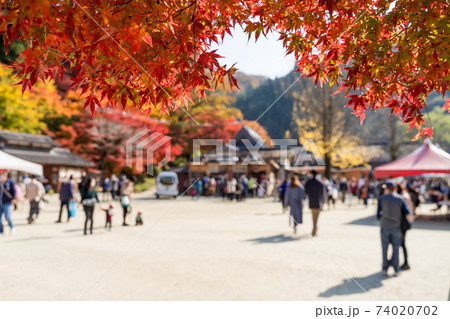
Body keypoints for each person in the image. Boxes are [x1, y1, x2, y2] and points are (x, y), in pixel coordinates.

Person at [377, 182, 412, 276]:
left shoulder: (382, 198)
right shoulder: (400, 199)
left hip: (384, 226)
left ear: (387, 189)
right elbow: (407, 212)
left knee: (384, 248)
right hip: (396, 226)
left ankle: (385, 268)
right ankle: (396, 269)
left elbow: (378, 215)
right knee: (396, 248)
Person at [396, 183, 415, 270]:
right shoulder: (404, 195)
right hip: (404, 222)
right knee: (401, 243)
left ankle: (405, 262)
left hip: (403, 223)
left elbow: (408, 211)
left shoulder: (403, 197)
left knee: (401, 243)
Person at [304, 170, 325, 236]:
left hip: (312, 201)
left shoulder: (309, 182)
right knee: (317, 217)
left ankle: (314, 229)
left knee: (313, 216)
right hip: (319, 202)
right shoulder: (320, 182)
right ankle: (315, 229)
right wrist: (323, 201)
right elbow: (323, 193)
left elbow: (306, 191)